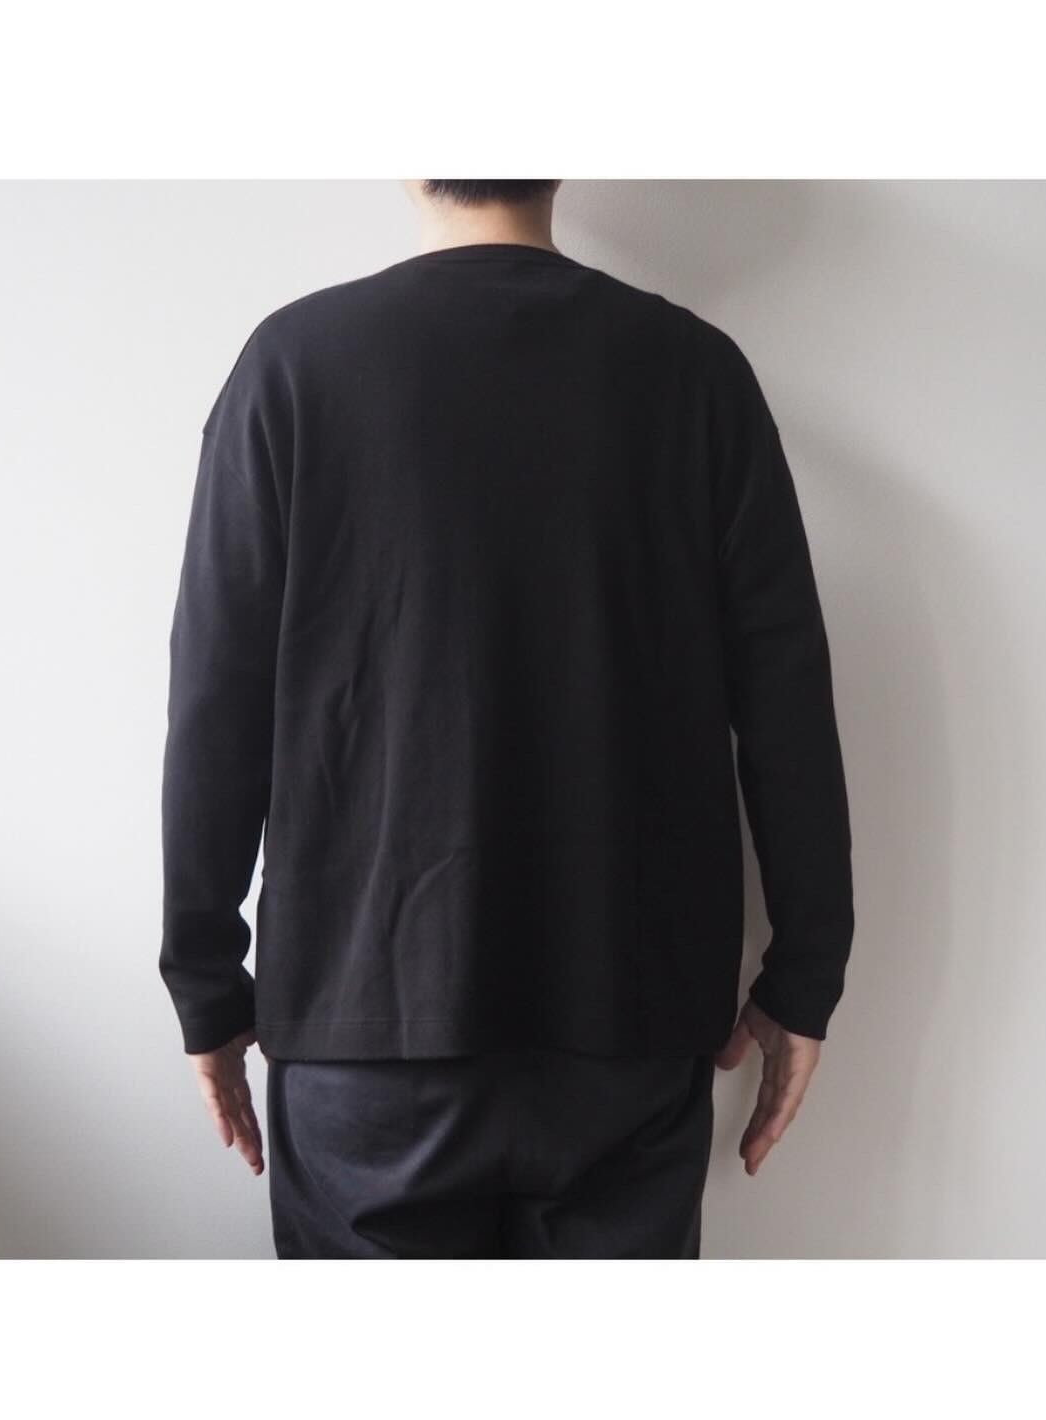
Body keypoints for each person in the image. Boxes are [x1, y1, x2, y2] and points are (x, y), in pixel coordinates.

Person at [158, 179, 855, 1258]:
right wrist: (803, 976)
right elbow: (785, 700)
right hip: (626, 1032)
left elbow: (216, 697)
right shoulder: (697, 375)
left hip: (367, 1033)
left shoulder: (294, 366)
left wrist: (206, 984)